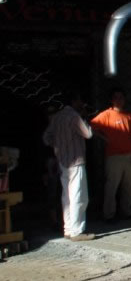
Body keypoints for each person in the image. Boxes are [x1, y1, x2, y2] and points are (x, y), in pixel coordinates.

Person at [42, 91, 94, 241]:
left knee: (66, 196)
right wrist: (84, 117)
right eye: (80, 101)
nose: (82, 104)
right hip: (76, 160)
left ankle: (68, 228)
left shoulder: (57, 117)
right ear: (75, 101)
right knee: (79, 195)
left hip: (62, 161)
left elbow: (46, 137)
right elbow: (88, 134)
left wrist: (58, 146)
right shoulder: (74, 117)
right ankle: (77, 231)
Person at [91, 88, 131, 222]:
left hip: (128, 154)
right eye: (116, 97)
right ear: (112, 100)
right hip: (113, 156)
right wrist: (104, 138)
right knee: (112, 186)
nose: (119, 100)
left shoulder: (129, 116)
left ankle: (127, 211)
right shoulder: (106, 115)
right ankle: (109, 214)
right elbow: (91, 127)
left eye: (121, 97)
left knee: (128, 186)